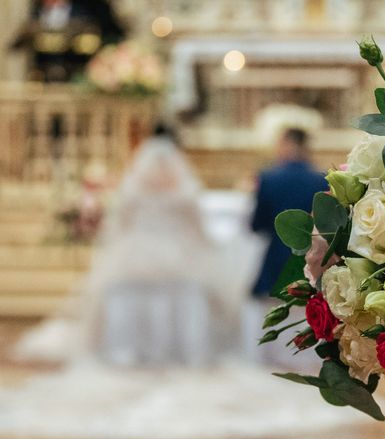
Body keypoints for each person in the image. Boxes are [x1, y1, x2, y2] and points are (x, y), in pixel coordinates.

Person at [14, 129, 229, 367]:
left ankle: (128, 348)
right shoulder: (184, 192)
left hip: (137, 253)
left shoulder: (135, 190)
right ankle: (181, 351)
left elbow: (118, 226)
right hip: (176, 254)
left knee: (134, 294)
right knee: (177, 294)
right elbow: (198, 229)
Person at [246, 128, 327, 366]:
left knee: (273, 311)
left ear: (286, 144)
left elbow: (256, 224)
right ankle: (305, 359)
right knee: (307, 310)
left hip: (276, 255)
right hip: (311, 254)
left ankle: (269, 360)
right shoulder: (320, 178)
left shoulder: (268, 178)